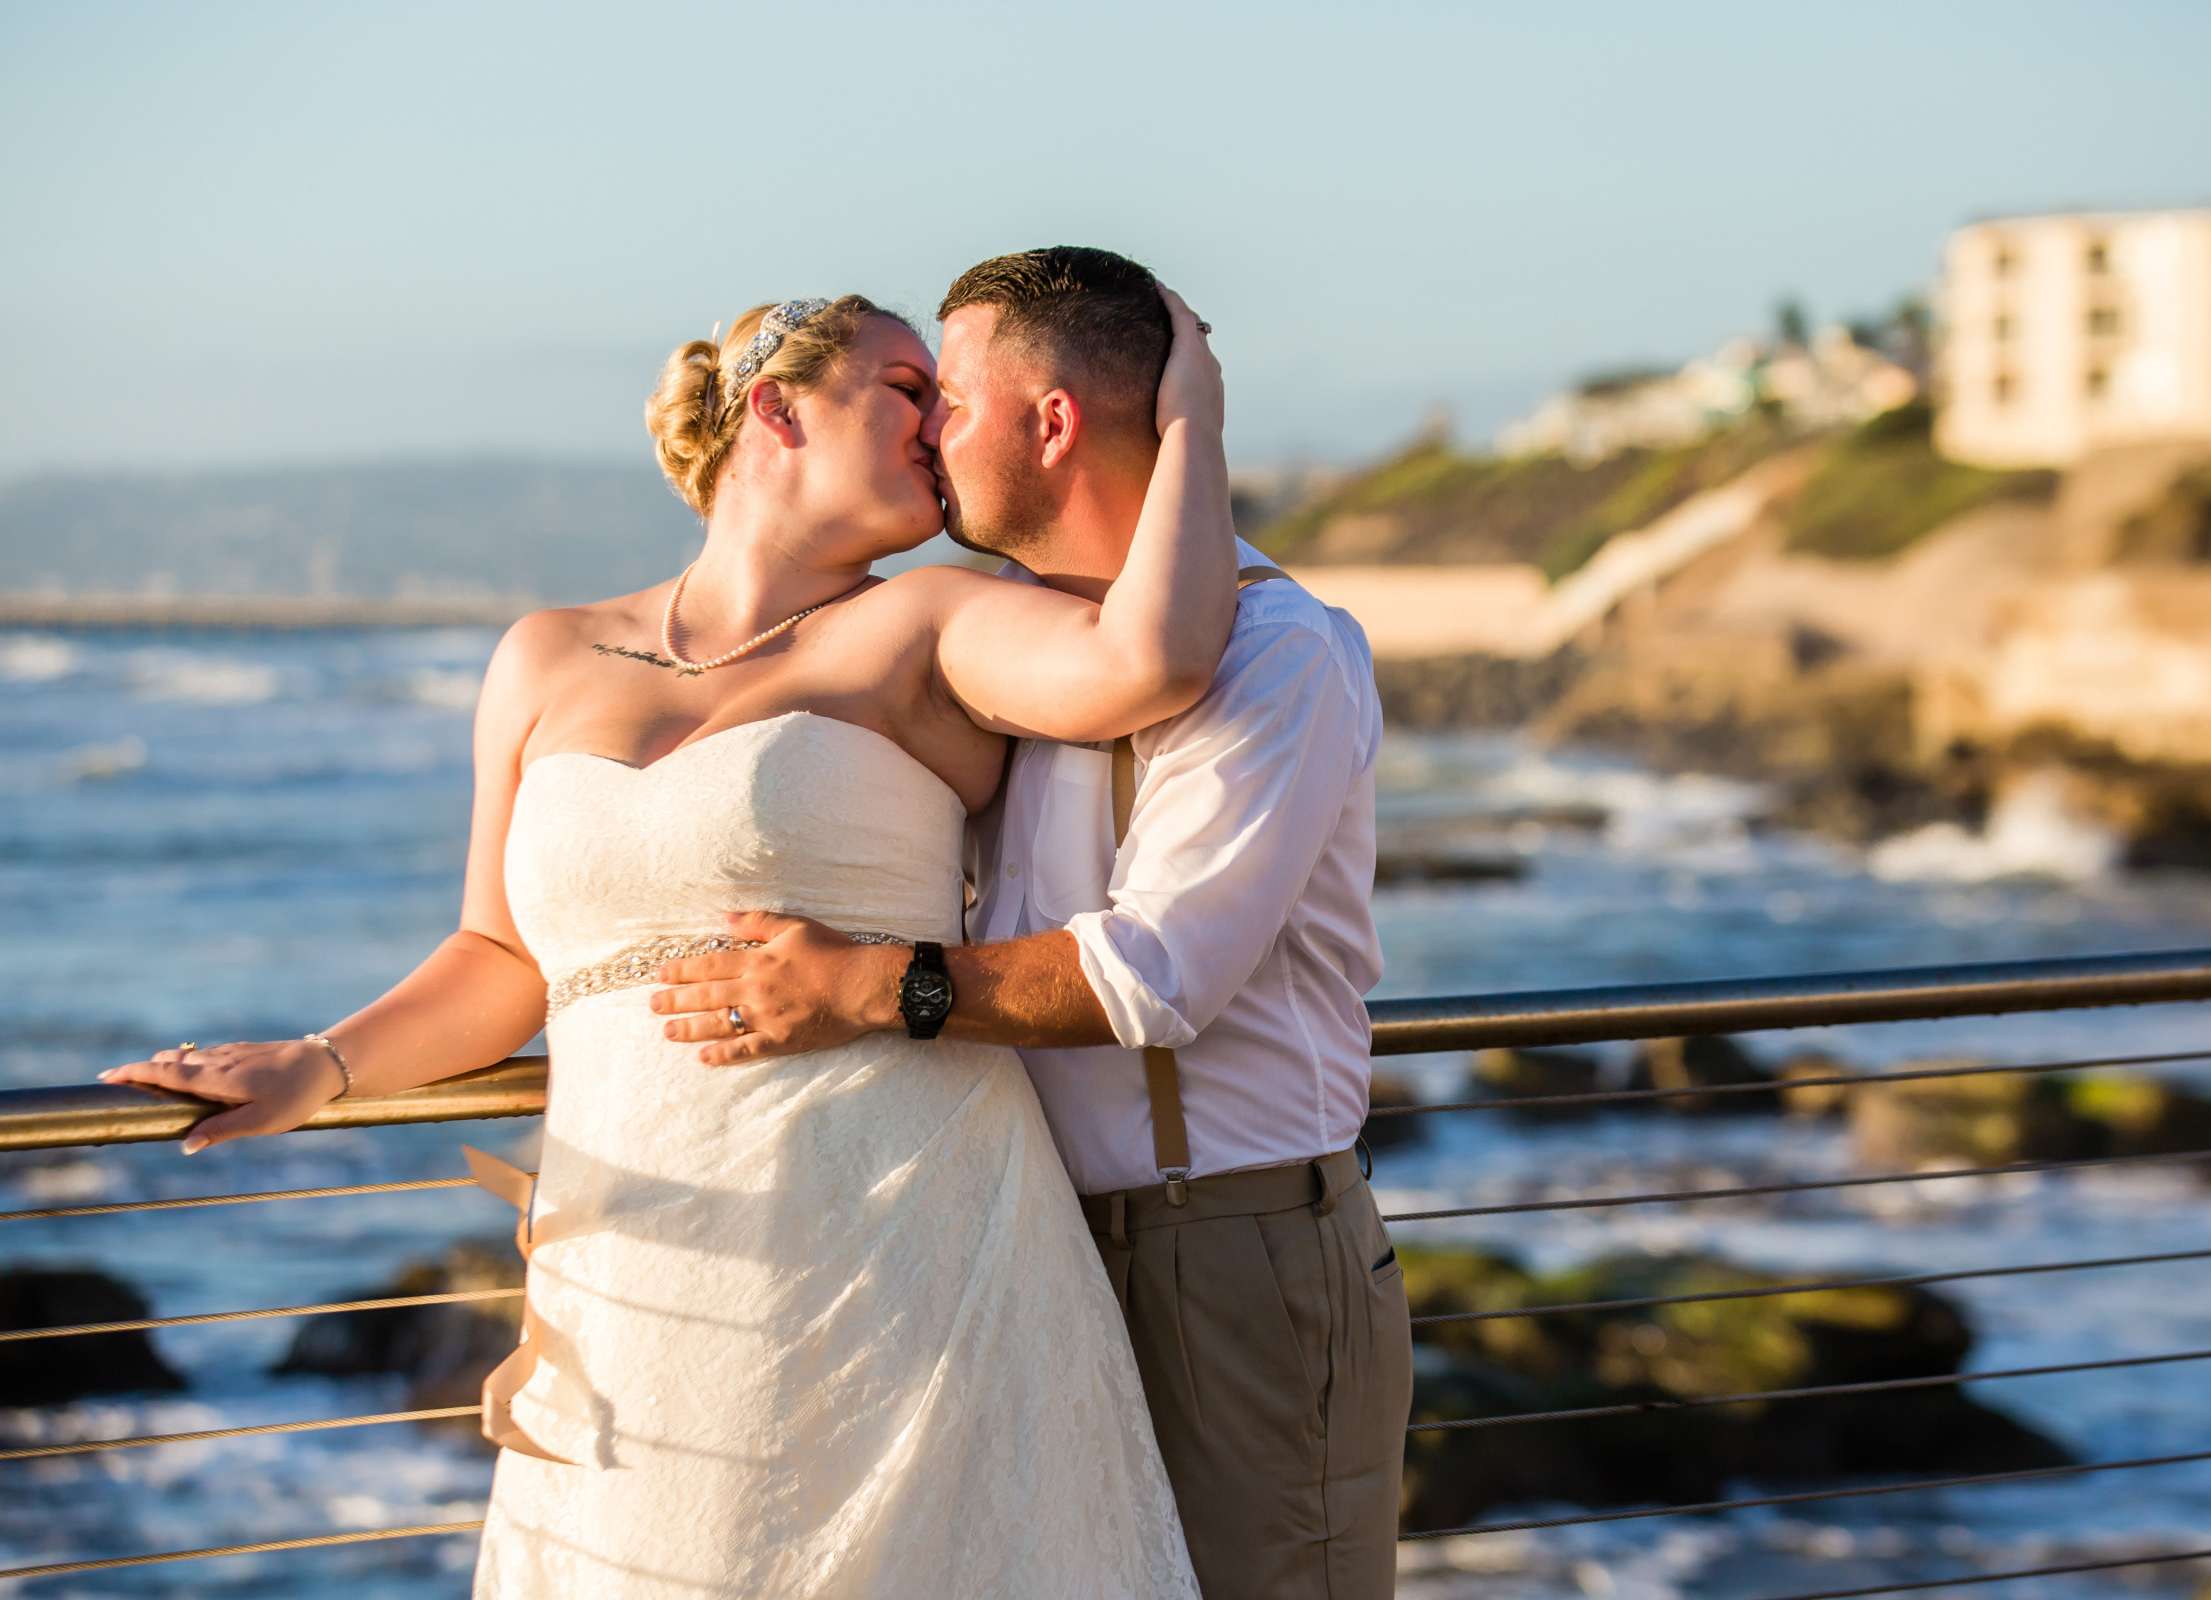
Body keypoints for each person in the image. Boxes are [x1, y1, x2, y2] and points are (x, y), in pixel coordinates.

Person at [99, 288, 1234, 1596]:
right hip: (641, 1263)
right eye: (911, 390)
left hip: (902, 1245)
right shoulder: (545, 656)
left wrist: (1193, 409)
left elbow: (1157, 655)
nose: (947, 423)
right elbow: (500, 957)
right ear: (779, 407)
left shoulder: (927, 624)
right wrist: (323, 1065)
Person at [651, 247, 1411, 1600]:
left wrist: (864, 986)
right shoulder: (1010, 650)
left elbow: (1154, 977)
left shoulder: (1276, 650)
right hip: (1005, 1244)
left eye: (945, 397)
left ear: (1051, 423)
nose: (922, 431)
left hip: (1215, 1256)